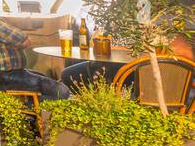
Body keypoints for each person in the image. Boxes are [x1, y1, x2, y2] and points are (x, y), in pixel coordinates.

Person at [62, 33, 195, 107]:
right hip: (158, 89)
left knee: (70, 74)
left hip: (148, 93)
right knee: (72, 74)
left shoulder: (174, 44)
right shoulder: (180, 46)